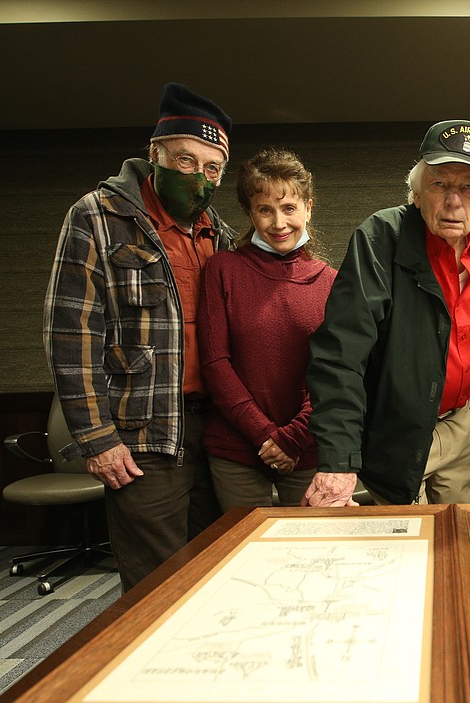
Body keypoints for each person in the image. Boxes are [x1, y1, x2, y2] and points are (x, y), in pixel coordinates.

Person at [44, 82, 235, 592]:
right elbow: (70, 332)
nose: (199, 176)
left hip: (216, 430)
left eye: (212, 167)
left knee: (217, 567)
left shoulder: (221, 232)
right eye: (187, 160)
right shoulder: (98, 216)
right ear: (156, 155)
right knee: (157, 583)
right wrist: (97, 439)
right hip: (143, 434)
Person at [302, 120, 470, 507]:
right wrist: (339, 460)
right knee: (401, 548)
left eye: (469, 187)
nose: (454, 201)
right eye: (440, 184)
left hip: (462, 421)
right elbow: (340, 353)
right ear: (416, 192)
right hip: (399, 426)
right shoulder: (380, 237)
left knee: (458, 539)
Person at [198, 148, 336, 509]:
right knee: (244, 556)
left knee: (315, 555)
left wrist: (292, 438)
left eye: (289, 208)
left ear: (309, 207)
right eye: (265, 210)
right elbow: (215, 362)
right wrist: (265, 436)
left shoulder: (332, 282)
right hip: (236, 447)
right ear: (250, 212)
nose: (279, 223)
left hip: (308, 445)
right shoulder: (223, 269)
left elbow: (335, 374)